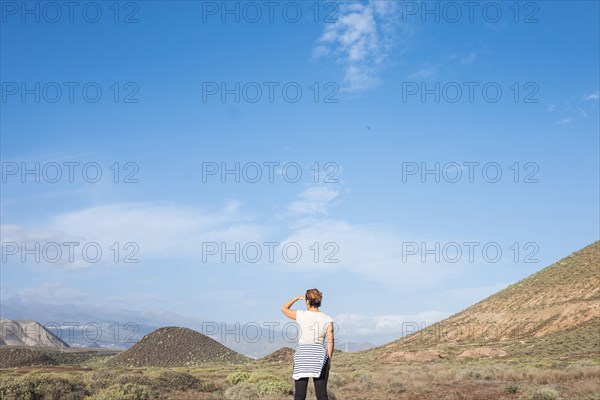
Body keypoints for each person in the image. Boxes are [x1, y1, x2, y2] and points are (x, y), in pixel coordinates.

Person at [281, 288, 334, 400]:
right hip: (319, 356)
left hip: (302, 356)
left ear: (307, 301)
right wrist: (329, 358)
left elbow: (284, 308)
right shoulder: (327, 318)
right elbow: (330, 340)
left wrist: (296, 298)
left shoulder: (301, 315)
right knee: (322, 395)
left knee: (299, 395)